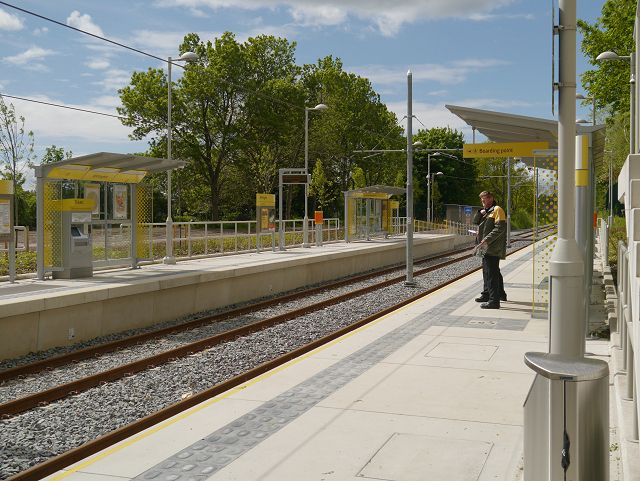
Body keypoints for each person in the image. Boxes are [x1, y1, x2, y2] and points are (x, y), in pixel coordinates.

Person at [472, 191, 507, 309]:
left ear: (491, 198)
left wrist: (486, 240)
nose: (483, 203)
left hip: (491, 246)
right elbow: (475, 222)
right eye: (481, 200)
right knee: (489, 271)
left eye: (484, 200)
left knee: (491, 273)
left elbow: (500, 228)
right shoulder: (487, 211)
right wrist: (480, 213)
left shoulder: (497, 210)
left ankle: (494, 301)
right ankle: (490, 294)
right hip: (484, 246)